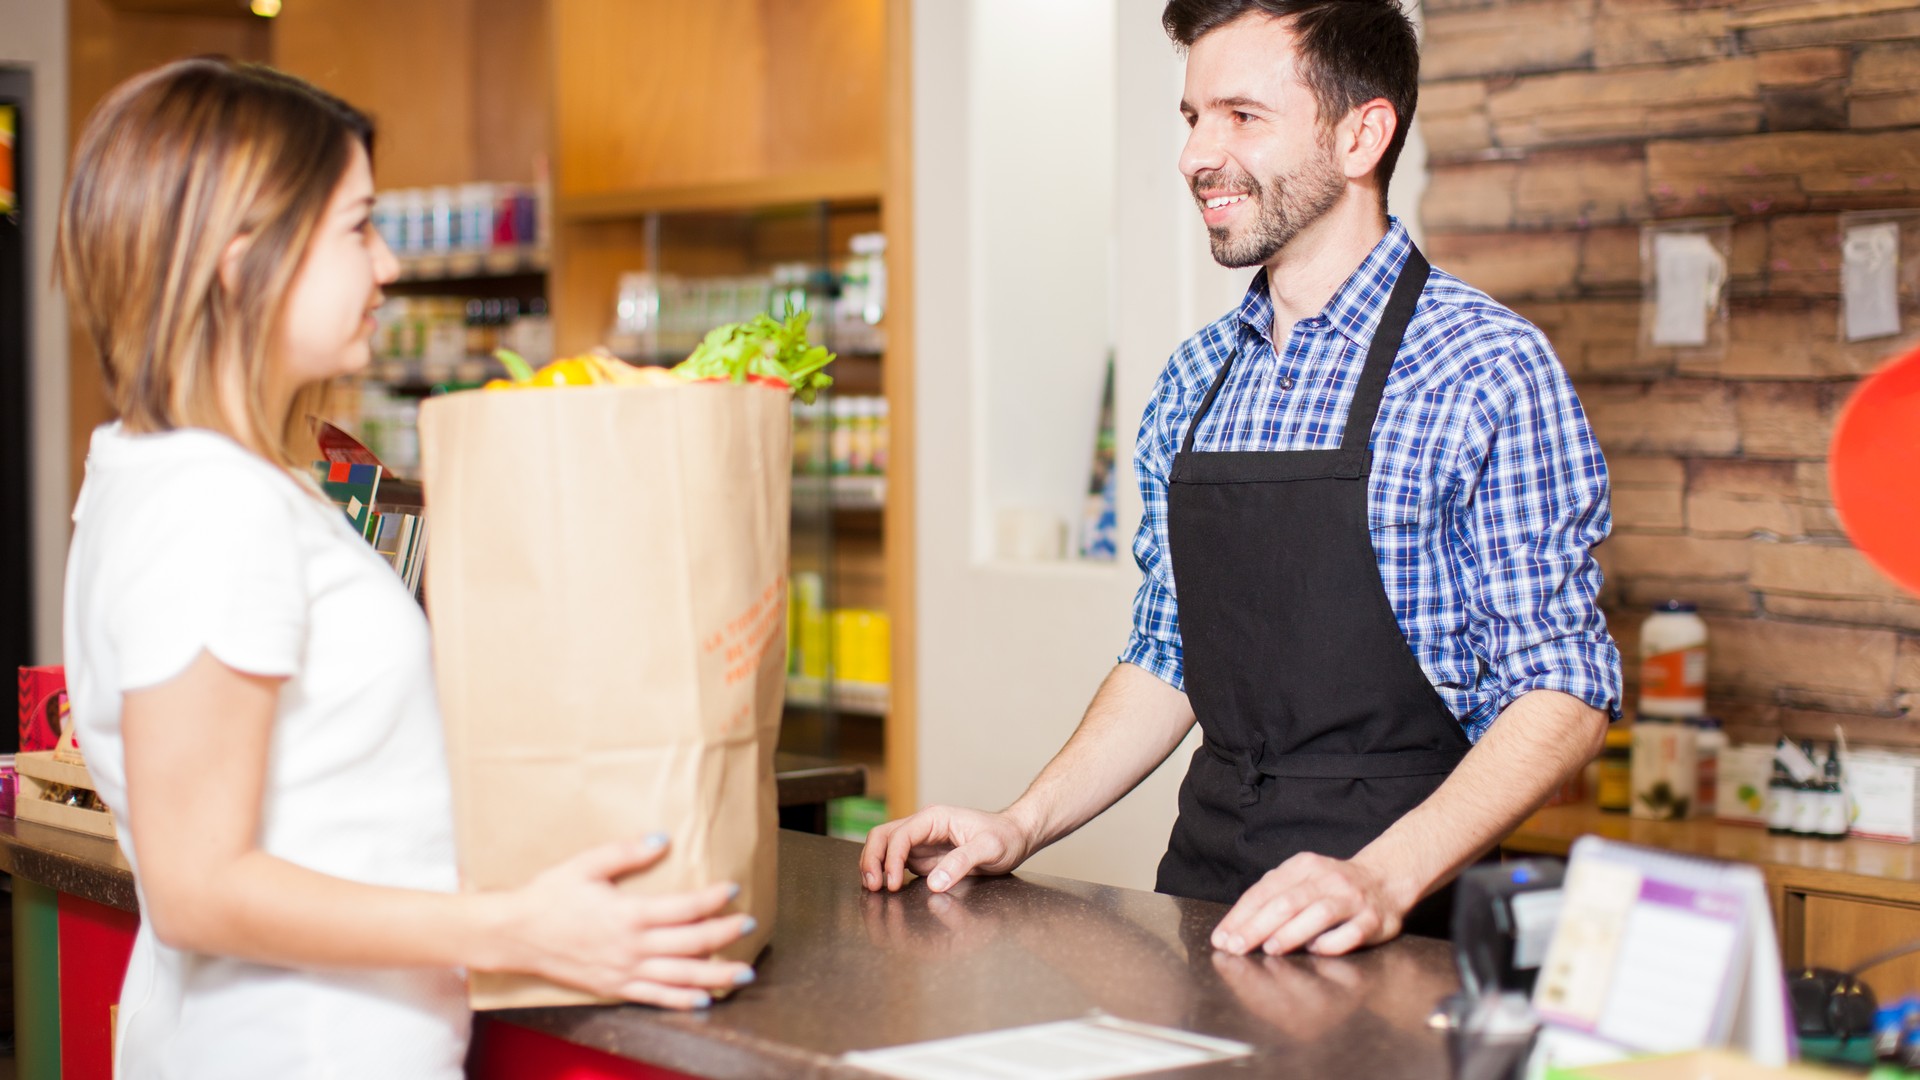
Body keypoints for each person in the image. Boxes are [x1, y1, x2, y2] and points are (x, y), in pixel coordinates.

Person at [861, 0, 1621, 957]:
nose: (1195, 155)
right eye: (1192, 118)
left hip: (1405, 926)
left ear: (1362, 136)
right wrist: (1021, 823)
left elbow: (1562, 690)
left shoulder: (1485, 368)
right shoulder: (1196, 378)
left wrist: (1379, 880)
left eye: (1242, 116)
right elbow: (1169, 654)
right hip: (1205, 909)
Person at [58, 59, 754, 1079]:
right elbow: (197, 888)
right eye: (357, 228)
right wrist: (513, 927)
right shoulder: (212, 503)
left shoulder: (195, 470)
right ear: (241, 260)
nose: (386, 265)